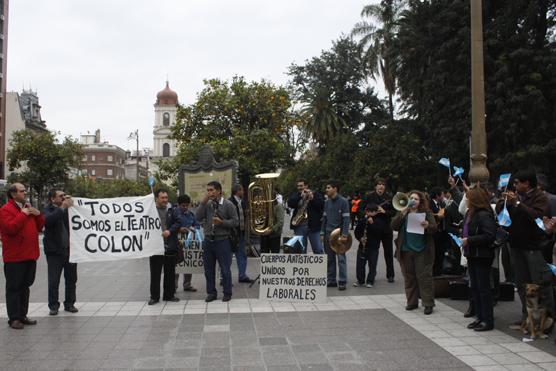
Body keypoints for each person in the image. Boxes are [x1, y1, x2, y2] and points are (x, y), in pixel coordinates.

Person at [500, 170, 553, 324]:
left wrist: (518, 203)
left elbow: (536, 217)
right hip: (516, 245)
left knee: (539, 283)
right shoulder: (518, 198)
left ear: (526, 183)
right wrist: (506, 204)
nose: (515, 186)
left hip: (532, 246)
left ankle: (546, 319)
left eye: (517, 182)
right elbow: (507, 218)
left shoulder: (539, 197)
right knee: (522, 283)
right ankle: (527, 317)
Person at [0, 183, 44, 329]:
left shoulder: (26, 207)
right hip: (15, 257)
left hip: (30, 255)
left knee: (25, 286)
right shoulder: (6, 210)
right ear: (13, 194)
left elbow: (39, 227)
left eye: (25, 190)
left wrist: (38, 215)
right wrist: (23, 214)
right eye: (22, 191)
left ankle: (22, 315)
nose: (25, 193)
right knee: (14, 288)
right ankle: (14, 318)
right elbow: (10, 228)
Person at [391, 190, 437, 315]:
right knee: (409, 277)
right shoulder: (403, 211)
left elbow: (434, 228)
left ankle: (428, 303)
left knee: (424, 277)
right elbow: (393, 226)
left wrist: (427, 225)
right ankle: (411, 302)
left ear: (420, 201)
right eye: (411, 198)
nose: (413, 200)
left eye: (416, 199)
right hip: (405, 250)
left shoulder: (426, 213)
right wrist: (402, 213)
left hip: (422, 250)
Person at [195, 181, 238, 302]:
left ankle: (227, 292)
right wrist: (202, 203)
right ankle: (211, 293)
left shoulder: (228, 204)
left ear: (219, 191)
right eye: (208, 190)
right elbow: (197, 217)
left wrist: (222, 223)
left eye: (212, 190)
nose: (210, 193)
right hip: (208, 240)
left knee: (225, 269)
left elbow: (235, 222)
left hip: (222, 240)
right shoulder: (206, 204)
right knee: (208, 269)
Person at [462, 185, 497, 332]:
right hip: (472, 254)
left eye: (469, 197)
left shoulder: (484, 214)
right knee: (475, 287)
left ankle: (487, 320)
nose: (467, 200)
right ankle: (479, 317)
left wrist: (470, 240)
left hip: (482, 255)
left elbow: (489, 235)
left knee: (483, 288)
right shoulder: (471, 212)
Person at [43, 189, 78, 316]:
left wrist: (75, 206)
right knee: (53, 280)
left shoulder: (70, 210)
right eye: (61, 196)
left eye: (65, 195)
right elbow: (48, 221)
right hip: (54, 252)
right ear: (52, 199)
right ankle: (53, 305)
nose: (64, 198)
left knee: (71, 279)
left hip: (70, 251)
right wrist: (62, 207)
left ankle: (70, 303)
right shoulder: (48, 210)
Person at [359, 178, 396, 283]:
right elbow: (360, 210)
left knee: (388, 252)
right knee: (372, 253)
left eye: (383, 184)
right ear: (375, 186)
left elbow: (394, 212)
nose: (381, 186)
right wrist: (368, 215)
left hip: (386, 228)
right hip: (373, 228)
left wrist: (384, 211)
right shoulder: (369, 196)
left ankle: (390, 275)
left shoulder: (389, 197)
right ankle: (371, 276)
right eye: (379, 184)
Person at [148, 189, 180, 305]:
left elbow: (178, 222)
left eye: (166, 198)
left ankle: (169, 295)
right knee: (155, 272)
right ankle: (154, 297)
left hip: (170, 245)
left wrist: (169, 231)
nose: (165, 200)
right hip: (155, 246)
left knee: (170, 271)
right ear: (156, 198)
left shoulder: (172, 210)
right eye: (162, 198)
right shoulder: (150, 210)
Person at [321, 180, 350, 290]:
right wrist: (322, 232)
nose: (326, 190)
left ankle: (342, 281)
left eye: (328, 187)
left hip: (339, 236)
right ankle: (331, 280)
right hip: (328, 235)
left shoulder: (343, 202)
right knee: (329, 258)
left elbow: (346, 219)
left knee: (341, 258)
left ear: (335, 189)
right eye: (326, 188)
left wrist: (345, 234)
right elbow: (324, 219)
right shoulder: (326, 202)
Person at [288, 179, 324, 254]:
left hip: (313, 225)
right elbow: (290, 203)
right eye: (298, 186)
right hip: (299, 225)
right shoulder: (297, 194)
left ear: (306, 186)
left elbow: (321, 205)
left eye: (301, 186)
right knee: (301, 251)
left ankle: (320, 266)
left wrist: (312, 198)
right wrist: (299, 197)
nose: (299, 188)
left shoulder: (315, 194)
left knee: (318, 250)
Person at [353, 203, 386, 288]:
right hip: (362, 246)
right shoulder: (363, 220)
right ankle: (360, 280)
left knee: (372, 265)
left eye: (372, 212)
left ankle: (370, 281)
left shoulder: (379, 221)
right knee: (360, 264)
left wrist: (372, 224)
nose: (369, 214)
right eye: (368, 211)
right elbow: (357, 232)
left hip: (373, 247)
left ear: (376, 212)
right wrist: (360, 239)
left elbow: (379, 233)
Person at [172, 194, 198, 293]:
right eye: (183, 206)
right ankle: (173, 286)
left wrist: (193, 228)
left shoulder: (191, 214)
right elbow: (170, 226)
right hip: (177, 242)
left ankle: (187, 284)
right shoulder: (173, 214)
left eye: (187, 205)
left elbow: (197, 225)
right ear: (179, 205)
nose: (185, 207)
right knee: (177, 265)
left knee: (189, 263)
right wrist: (179, 229)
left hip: (189, 243)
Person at [228, 184, 253, 283]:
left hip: (241, 233)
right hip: (231, 234)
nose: (244, 192)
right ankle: (224, 277)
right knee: (228, 257)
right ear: (237, 191)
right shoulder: (230, 202)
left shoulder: (242, 202)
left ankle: (242, 275)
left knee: (242, 255)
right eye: (242, 190)